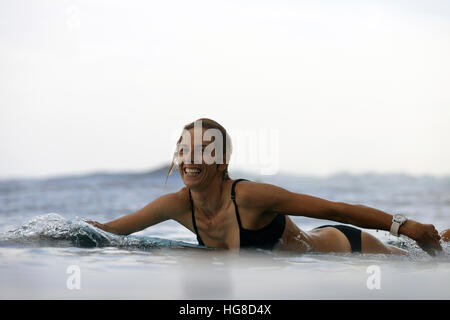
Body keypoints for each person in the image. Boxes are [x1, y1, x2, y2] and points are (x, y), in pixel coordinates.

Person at [87, 118, 448, 256]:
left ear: (222, 161)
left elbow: (335, 209)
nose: (189, 158)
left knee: (427, 261)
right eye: (183, 150)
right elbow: (108, 233)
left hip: (344, 247)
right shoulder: (176, 205)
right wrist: (45, 236)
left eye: (201, 150)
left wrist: (406, 225)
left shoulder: (250, 197)